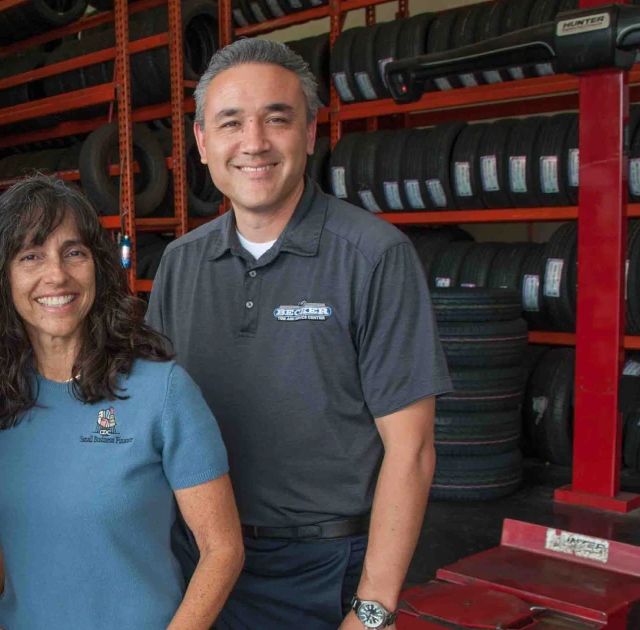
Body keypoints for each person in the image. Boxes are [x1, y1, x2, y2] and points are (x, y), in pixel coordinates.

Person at [146, 39, 452, 630]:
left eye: (276, 119)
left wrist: (372, 609)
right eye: (230, 123)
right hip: (201, 560)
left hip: (319, 569)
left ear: (310, 133)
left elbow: (410, 451)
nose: (254, 143)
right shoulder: (180, 265)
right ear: (203, 143)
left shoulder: (373, 257)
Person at [0, 175, 244, 630]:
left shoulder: (162, 391)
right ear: (3, 276)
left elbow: (222, 548)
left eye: (74, 252)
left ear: (99, 266)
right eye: (31, 256)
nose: (57, 275)